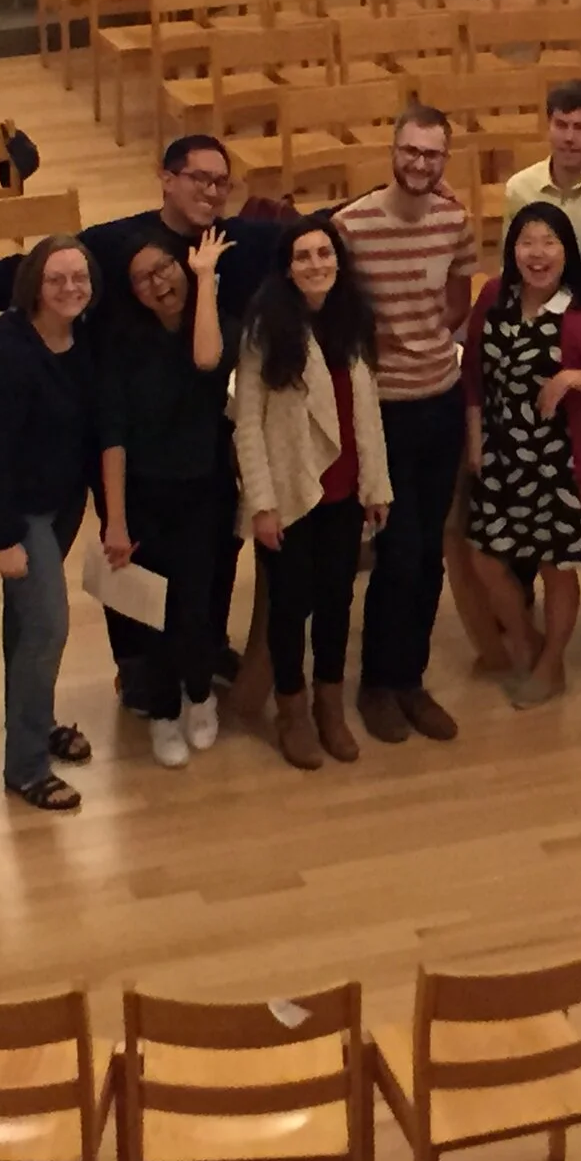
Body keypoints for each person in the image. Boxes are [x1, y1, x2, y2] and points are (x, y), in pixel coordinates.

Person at [462, 203, 581, 709]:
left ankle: (552, 665)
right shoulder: (493, 297)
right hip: (500, 458)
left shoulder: (579, 322)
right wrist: (475, 433)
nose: (537, 253)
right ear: (511, 248)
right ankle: (525, 640)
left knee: (554, 568)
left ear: (567, 253)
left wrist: (574, 378)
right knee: (484, 559)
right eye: (527, 241)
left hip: (558, 467)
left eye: (549, 242)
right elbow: (474, 371)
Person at [333, 104, 478, 744]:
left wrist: (426, 342)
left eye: (433, 155)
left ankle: (411, 680)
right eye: (410, 152)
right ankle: (376, 687)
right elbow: (330, 307)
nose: (420, 164)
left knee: (429, 555)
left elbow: (457, 300)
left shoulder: (455, 219)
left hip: (440, 400)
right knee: (396, 551)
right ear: (392, 151)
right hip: (381, 411)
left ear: (446, 160)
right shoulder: (352, 225)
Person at [231, 215, 393, 770]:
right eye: (303, 256)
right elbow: (247, 422)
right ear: (286, 267)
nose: (316, 265)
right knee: (288, 607)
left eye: (325, 254)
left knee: (335, 602)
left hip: (346, 488)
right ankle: (292, 711)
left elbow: (366, 411)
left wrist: (377, 484)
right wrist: (262, 503)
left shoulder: (352, 320)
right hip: (291, 489)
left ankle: (330, 706)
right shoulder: (267, 328)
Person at [0, 234, 103, 812]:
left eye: (79, 277)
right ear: (33, 287)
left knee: (27, 630)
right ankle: (25, 768)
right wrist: (3, 539)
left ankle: (37, 721)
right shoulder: (9, 354)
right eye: (57, 279)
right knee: (48, 627)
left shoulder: (82, 340)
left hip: (60, 502)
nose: (70, 288)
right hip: (15, 511)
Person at [97, 226, 238, 770]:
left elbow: (207, 361)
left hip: (207, 491)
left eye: (165, 268)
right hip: (146, 496)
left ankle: (200, 696)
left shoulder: (215, 326)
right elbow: (113, 437)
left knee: (199, 606)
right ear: (131, 292)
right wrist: (114, 518)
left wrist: (205, 278)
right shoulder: (122, 346)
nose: (158, 283)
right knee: (150, 614)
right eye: (142, 279)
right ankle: (161, 712)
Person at [82, 134, 282, 322]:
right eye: (200, 178)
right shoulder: (115, 242)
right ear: (168, 181)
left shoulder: (244, 240)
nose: (212, 191)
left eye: (221, 182)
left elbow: (304, 233)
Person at [502, 78, 581, 254]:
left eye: (580, 127)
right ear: (548, 125)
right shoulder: (518, 188)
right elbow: (509, 262)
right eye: (561, 125)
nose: (569, 137)